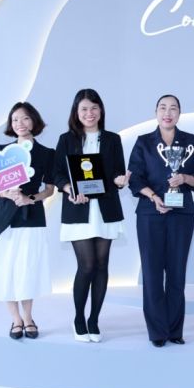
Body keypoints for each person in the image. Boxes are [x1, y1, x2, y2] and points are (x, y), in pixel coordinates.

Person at [128, 94, 194, 347]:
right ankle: (157, 332)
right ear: (156, 112)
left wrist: (184, 178)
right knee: (152, 273)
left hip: (181, 214)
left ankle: (175, 330)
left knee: (177, 272)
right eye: (163, 108)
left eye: (173, 108)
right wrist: (153, 197)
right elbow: (135, 178)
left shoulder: (190, 141)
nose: (168, 112)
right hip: (150, 214)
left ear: (179, 113)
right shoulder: (143, 142)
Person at [54, 89, 129, 343]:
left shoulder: (113, 139)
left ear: (101, 110)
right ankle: (78, 318)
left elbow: (118, 172)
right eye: (84, 109)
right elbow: (57, 174)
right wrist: (69, 189)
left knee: (102, 266)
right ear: (76, 112)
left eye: (94, 108)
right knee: (86, 266)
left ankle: (94, 319)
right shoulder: (66, 140)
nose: (90, 113)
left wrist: (120, 180)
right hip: (79, 209)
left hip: (105, 209)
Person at [0, 102, 55, 339]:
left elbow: (49, 189)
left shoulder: (47, 154)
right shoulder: (1, 151)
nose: (20, 123)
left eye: (25, 118)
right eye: (15, 120)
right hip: (3, 217)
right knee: (5, 270)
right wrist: (6, 193)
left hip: (31, 216)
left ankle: (28, 318)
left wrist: (30, 198)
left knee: (26, 269)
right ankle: (16, 320)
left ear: (34, 121)